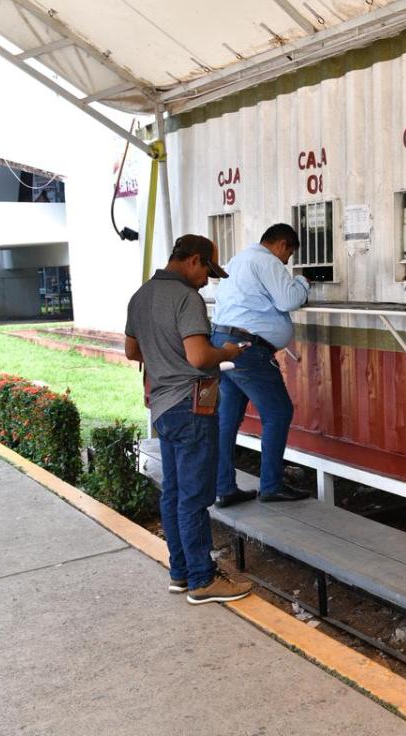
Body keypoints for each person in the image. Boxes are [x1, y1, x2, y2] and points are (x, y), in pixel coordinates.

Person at [124, 234, 253, 605]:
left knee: (175, 493)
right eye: (207, 271)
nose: (207, 280)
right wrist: (226, 351)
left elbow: (133, 350)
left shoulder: (141, 295)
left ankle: (180, 573)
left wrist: (164, 356)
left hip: (163, 408)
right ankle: (202, 580)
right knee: (194, 497)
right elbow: (199, 357)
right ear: (194, 260)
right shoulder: (187, 298)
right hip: (191, 407)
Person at [211, 223, 311, 506]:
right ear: (282, 245)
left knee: (228, 418)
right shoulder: (266, 261)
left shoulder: (239, 260)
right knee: (278, 411)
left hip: (222, 341)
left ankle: (224, 487)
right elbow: (289, 300)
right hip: (248, 348)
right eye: (288, 255)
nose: (286, 262)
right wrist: (303, 282)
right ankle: (271, 485)